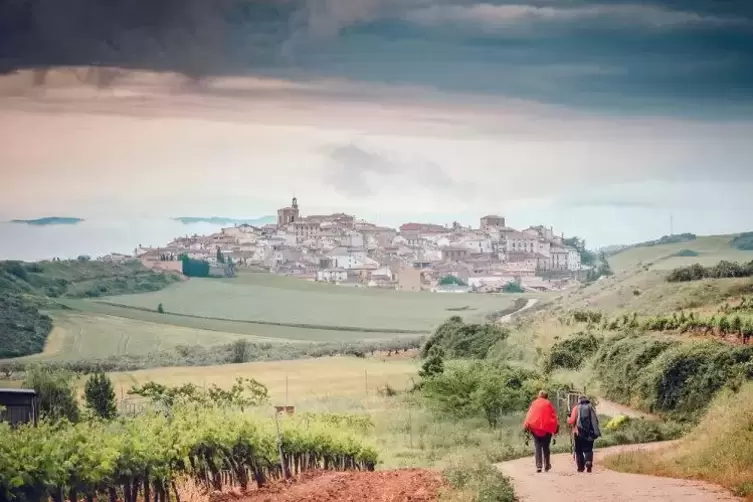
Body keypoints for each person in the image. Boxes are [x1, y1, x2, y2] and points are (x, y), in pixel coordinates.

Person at [523, 390, 559, 473]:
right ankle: (547, 466)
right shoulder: (548, 404)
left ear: (539, 396)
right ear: (546, 396)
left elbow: (529, 415)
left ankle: (539, 466)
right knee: (546, 447)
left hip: (535, 429)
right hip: (547, 429)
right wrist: (556, 428)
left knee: (538, 447)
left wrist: (526, 426)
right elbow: (554, 416)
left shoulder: (534, 403)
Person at [567, 395, 601, 473]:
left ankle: (580, 467)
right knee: (588, 449)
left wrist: (568, 419)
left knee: (578, 450)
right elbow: (596, 420)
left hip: (578, 432)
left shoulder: (576, 408)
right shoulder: (591, 408)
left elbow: (572, 421)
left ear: (579, 400)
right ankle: (588, 462)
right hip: (589, 433)